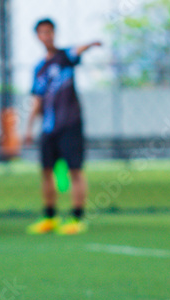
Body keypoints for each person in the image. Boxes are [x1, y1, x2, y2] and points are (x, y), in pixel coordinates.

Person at [24, 18, 101, 235]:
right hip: (49, 129)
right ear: (37, 37)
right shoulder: (39, 69)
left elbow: (78, 50)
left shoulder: (65, 57)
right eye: (42, 33)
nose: (46, 36)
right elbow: (37, 100)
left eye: (49, 32)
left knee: (75, 171)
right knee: (46, 172)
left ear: (54, 33)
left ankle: (77, 217)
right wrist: (29, 128)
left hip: (70, 125)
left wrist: (91, 43)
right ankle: (50, 216)